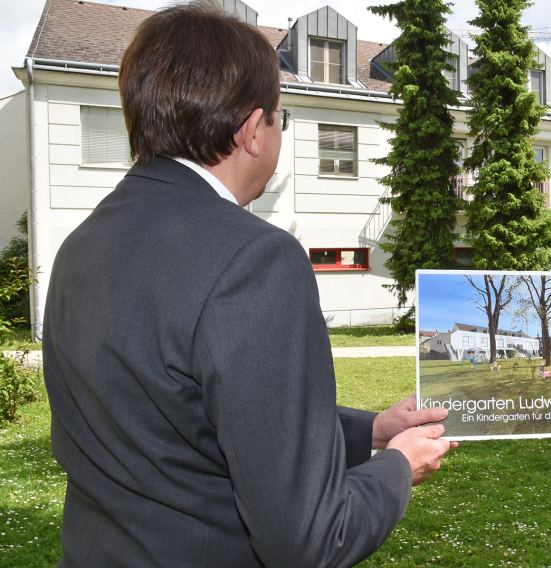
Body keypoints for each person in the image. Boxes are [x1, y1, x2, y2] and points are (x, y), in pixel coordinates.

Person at [42, 4, 452, 566]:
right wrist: (398, 467)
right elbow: (310, 536)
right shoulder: (254, 258)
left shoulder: (80, 246)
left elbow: (198, 414)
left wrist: (375, 430)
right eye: (281, 118)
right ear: (252, 129)